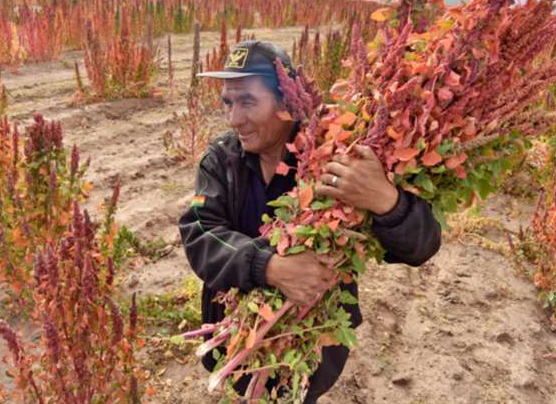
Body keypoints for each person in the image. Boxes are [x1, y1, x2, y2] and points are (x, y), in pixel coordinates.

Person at [178, 40, 441, 403]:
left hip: (312, 344)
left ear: (286, 103)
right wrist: (269, 266)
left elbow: (422, 247)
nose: (234, 118)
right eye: (228, 101)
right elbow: (200, 233)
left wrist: (386, 200)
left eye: (248, 101)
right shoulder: (222, 159)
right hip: (234, 331)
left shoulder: (340, 158)